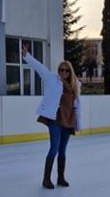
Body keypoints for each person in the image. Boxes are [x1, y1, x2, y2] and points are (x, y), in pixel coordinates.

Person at [22, 43, 81, 189]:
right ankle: (46, 179)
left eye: (66, 70)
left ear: (70, 72)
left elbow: (77, 106)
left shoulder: (75, 86)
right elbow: (40, 68)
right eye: (61, 69)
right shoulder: (51, 78)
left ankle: (61, 178)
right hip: (55, 119)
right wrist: (27, 56)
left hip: (68, 120)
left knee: (63, 151)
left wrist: (78, 123)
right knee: (54, 148)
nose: (63, 72)